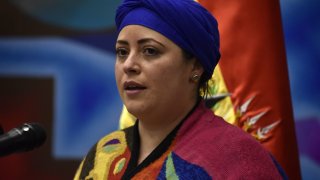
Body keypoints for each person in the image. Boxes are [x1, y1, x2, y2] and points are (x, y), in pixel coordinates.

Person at [74, 0, 285, 179]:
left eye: (149, 51)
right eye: (122, 52)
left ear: (195, 67)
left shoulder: (240, 161)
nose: (129, 65)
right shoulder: (102, 155)